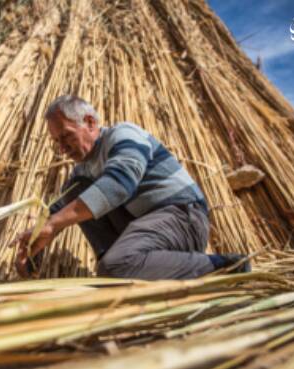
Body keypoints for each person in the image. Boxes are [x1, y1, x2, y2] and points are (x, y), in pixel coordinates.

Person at [13, 95, 250, 279]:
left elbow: (119, 183)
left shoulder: (123, 134)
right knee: (76, 192)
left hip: (181, 217)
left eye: (66, 136)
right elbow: (58, 210)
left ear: (90, 122)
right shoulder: (83, 171)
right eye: (57, 141)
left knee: (114, 267)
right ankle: (123, 266)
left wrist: (55, 223)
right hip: (144, 228)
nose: (62, 148)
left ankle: (226, 265)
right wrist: (36, 245)